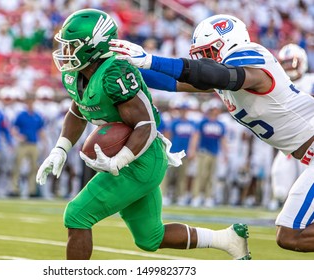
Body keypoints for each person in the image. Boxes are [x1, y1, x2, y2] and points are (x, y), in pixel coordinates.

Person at [36, 9, 250, 260]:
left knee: (77, 215)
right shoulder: (75, 73)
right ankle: (228, 240)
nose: (66, 52)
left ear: (92, 47)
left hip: (141, 159)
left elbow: (146, 125)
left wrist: (120, 160)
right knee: (150, 238)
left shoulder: (115, 72)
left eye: (72, 46)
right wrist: (60, 148)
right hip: (135, 155)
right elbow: (78, 109)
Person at [109, 14, 314, 252]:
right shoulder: (224, 76)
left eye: (208, 52)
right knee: (290, 235)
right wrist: (118, 66)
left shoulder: (251, 59)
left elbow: (217, 74)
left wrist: (151, 59)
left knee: (291, 234)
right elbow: (172, 82)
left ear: (230, 43)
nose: (204, 59)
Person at [269, 43, 314, 210]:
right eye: (285, 63)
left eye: (291, 62)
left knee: (307, 176)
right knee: (280, 180)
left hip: (309, 137)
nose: (288, 67)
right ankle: (285, 207)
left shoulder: (311, 81)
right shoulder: (279, 84)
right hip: (289, 137)